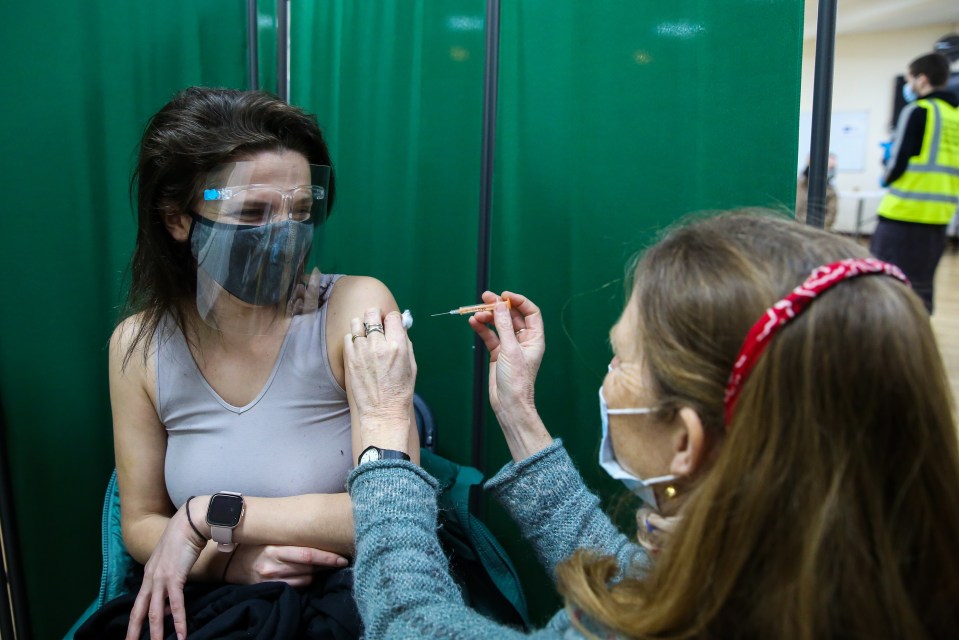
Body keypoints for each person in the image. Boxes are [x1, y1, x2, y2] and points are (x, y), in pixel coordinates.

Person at [343, 212, 959, 638]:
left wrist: (381, 426)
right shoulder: (835, 569)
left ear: (687, 442)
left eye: (619, 359)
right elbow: (638, 584)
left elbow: (407, 622)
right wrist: (518, 410)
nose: (606, 378)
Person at [91, 87, 419, 640]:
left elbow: (392, 512)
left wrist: (213, 516)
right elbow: (143, 521)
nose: (284, 234)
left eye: (300, 210)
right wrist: (232, 563)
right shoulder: (137, 346)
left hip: (353, 593)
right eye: (251, 212)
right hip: (216, 596)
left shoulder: (353, 309)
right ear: (177, 219)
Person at [872, 52, 959, 313]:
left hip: (903, 214)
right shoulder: (955, 118)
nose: (908, 86)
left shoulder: (918, 111)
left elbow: (896, 164)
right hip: (939, 218)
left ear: (922, 79)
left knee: (885, 284)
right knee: (921, 287)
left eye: (910, 79)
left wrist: (886, 171)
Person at [794, 152, 838, 230]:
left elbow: (831, 217)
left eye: (832, 168)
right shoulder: (797, 186)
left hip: (814, 231)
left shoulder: (830, 192)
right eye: (829, 167)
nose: (830, 171)